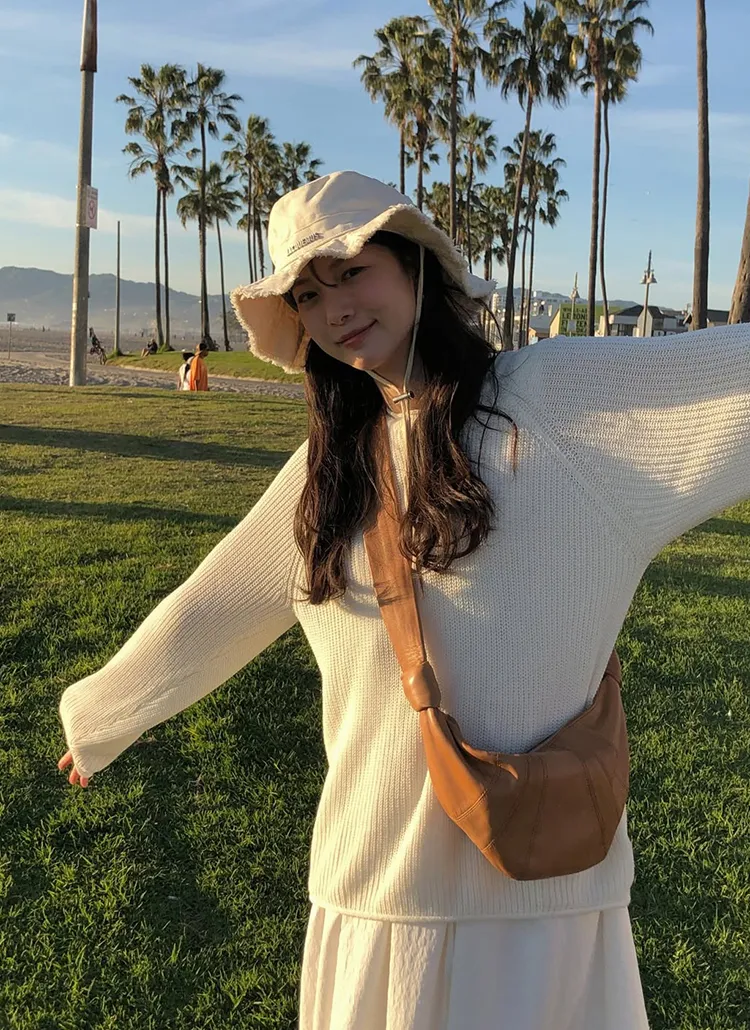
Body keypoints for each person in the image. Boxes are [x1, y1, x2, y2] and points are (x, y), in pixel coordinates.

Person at [57, 170, 750, 1029]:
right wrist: (99, 718)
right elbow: (215, 605)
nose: (335, 307)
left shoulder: (557, 397)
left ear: (416, 266)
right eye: (308, 295)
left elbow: (730, 379)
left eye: (353, 271)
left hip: (544, 904)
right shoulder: (328, 471)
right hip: (374, 888)